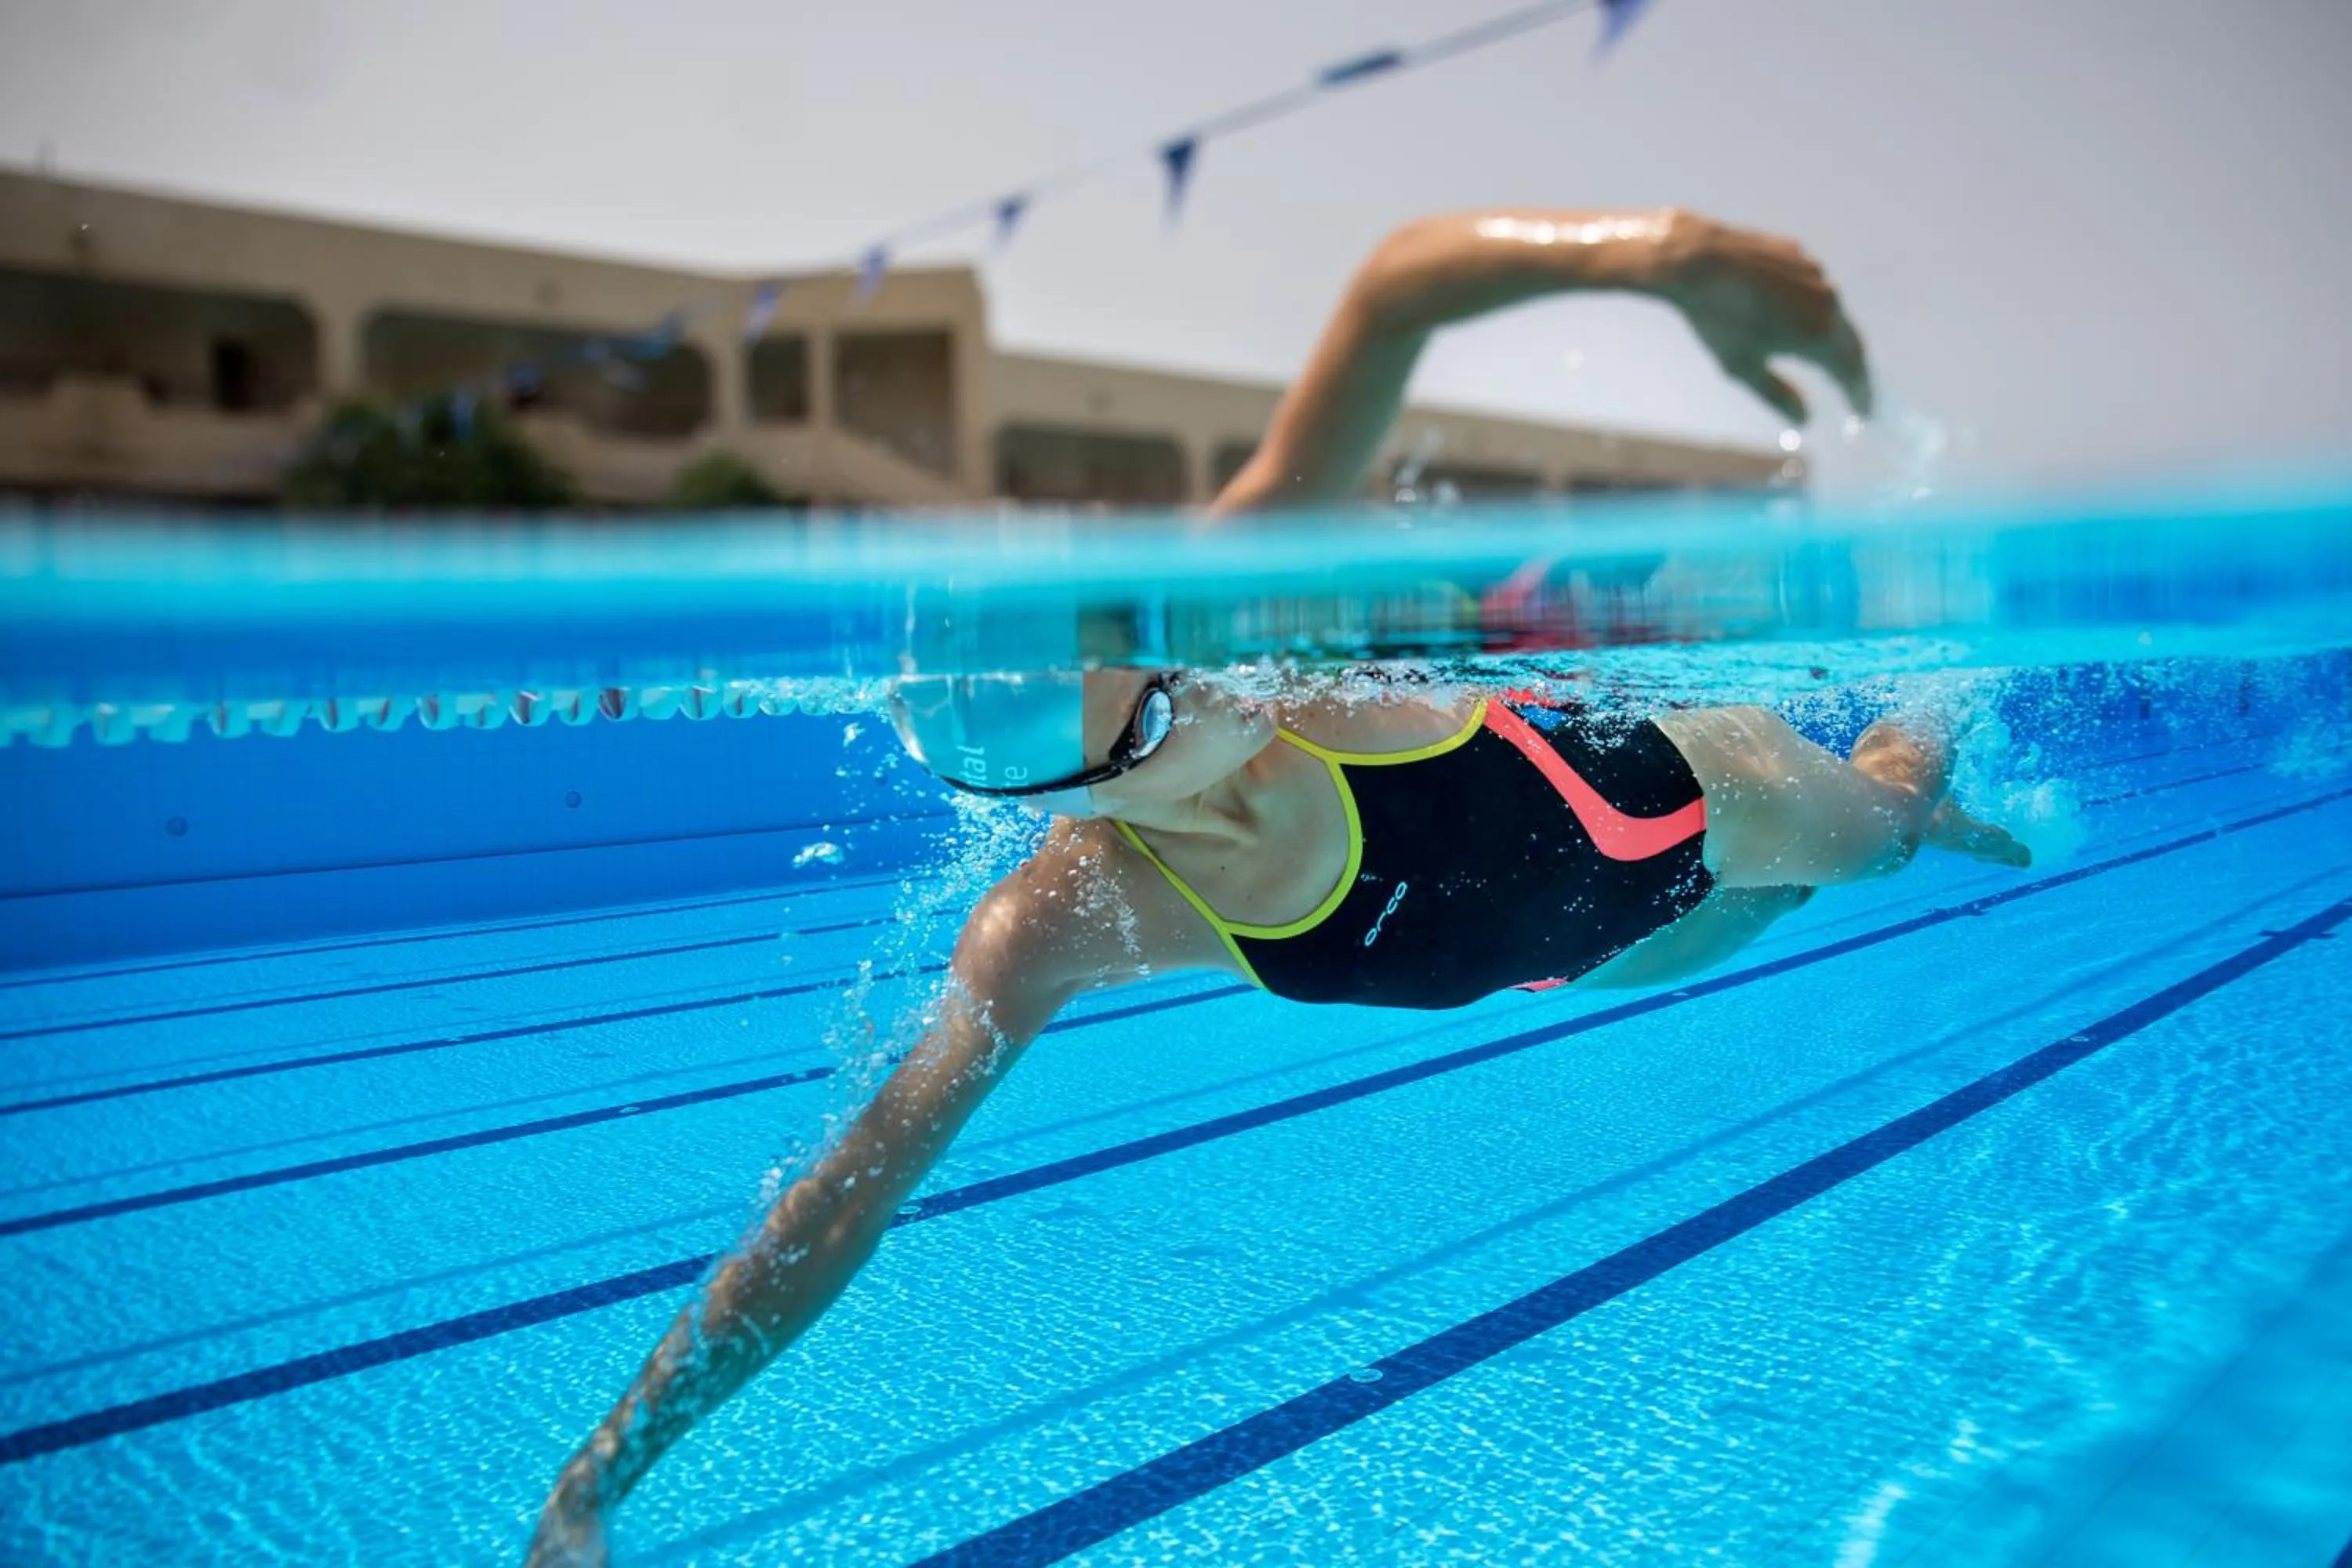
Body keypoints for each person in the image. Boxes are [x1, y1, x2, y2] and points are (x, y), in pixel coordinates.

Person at [525, 207, 2028, 1563]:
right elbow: (843, 1200)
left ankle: (1933, 707)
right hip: (1597, 954)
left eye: (1166, 638)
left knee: (1886, 831)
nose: (1217, 682)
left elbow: (1397, 289)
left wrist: (1659, 257)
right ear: (1076, 796)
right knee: (1770, 916)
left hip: (1694, 797)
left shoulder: (1234, 614)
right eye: (1158, 711)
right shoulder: (1064, 921)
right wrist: (603, 1472)